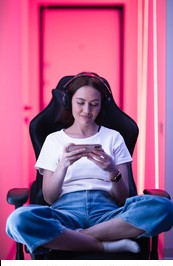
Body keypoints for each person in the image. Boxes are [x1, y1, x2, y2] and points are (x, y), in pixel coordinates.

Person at [6, 72, 173, 255]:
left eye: (94, 104)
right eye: (80, 103)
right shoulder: (53, 140)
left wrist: (111, 171)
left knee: (163, 207)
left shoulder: (114, 137)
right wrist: (63, 165)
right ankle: (101, 244)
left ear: (102, 106)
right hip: (65, 213)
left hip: (107, 213)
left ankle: (74, 238)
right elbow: (50, 198)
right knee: (17, 220)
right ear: (68, 102)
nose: (87, 110)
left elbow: (122, 198)